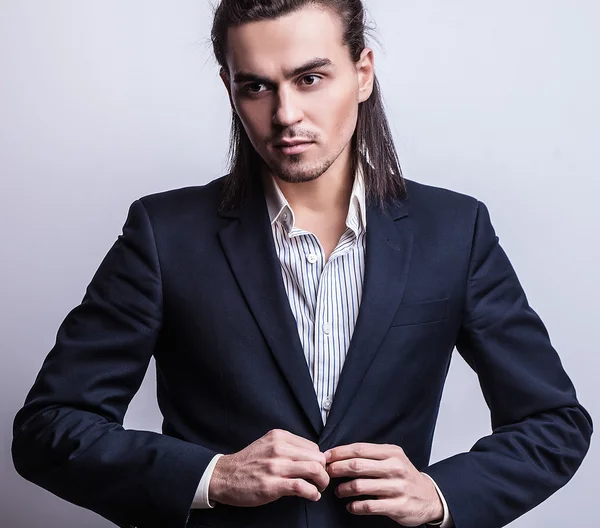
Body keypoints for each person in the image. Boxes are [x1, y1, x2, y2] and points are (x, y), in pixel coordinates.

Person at [12, 1, 592, 527]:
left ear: (362, 73)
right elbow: (49, 429)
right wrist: (212, 477)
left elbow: (553, 424)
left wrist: (441, 494)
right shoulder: (164, 234)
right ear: (228, 87)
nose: (286, 114)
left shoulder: (454, 230)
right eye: (257, 87)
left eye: (310, 78)